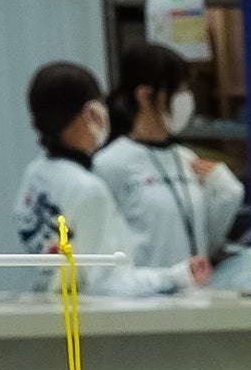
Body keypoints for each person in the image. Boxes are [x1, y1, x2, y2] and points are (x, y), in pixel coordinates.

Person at [12, 62, 186, 295]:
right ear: (91, 113)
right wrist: (174, 276)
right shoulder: (87, 189)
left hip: (47, 302)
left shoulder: (36, 173)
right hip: (83, 311)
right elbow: (105, 283)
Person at [94, 42, 243, 293]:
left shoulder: (186, 159)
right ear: (144, 95)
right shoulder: (109, 164)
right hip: (142, 300)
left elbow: (207, 237)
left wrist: (227, 190)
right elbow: (102, 249)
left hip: (194, 299)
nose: (186, 97)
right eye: (178, 89)